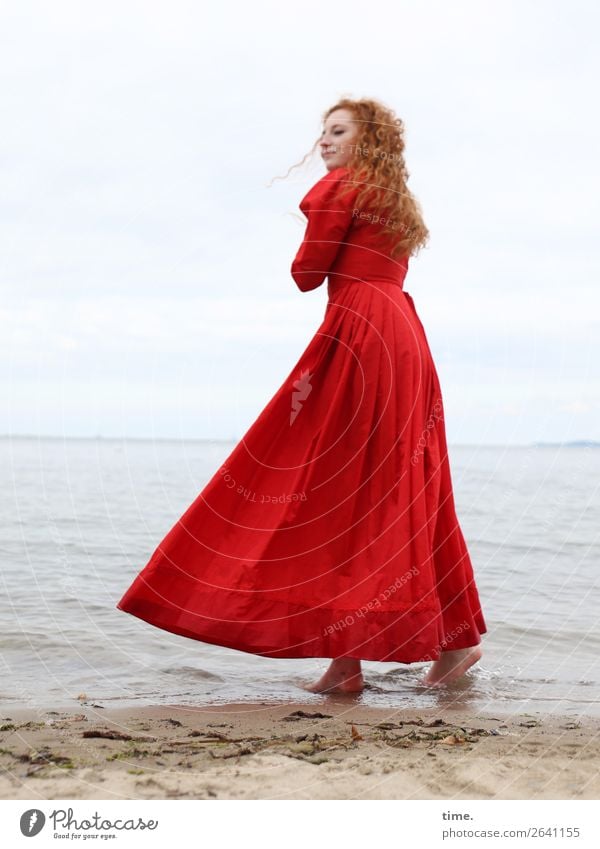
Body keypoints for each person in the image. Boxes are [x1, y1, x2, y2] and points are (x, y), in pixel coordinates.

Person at [116, 96, 487, 695]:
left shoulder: (338, 189)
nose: (324, 141)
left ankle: (354, 660)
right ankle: (440, 645)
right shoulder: (395, 200)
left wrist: (315, 224)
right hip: (404, 337)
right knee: (400, 486)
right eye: (323, 131)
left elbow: (306, 274)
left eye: (338, 131)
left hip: (360, 333)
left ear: (367, 142)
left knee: (328, 486)